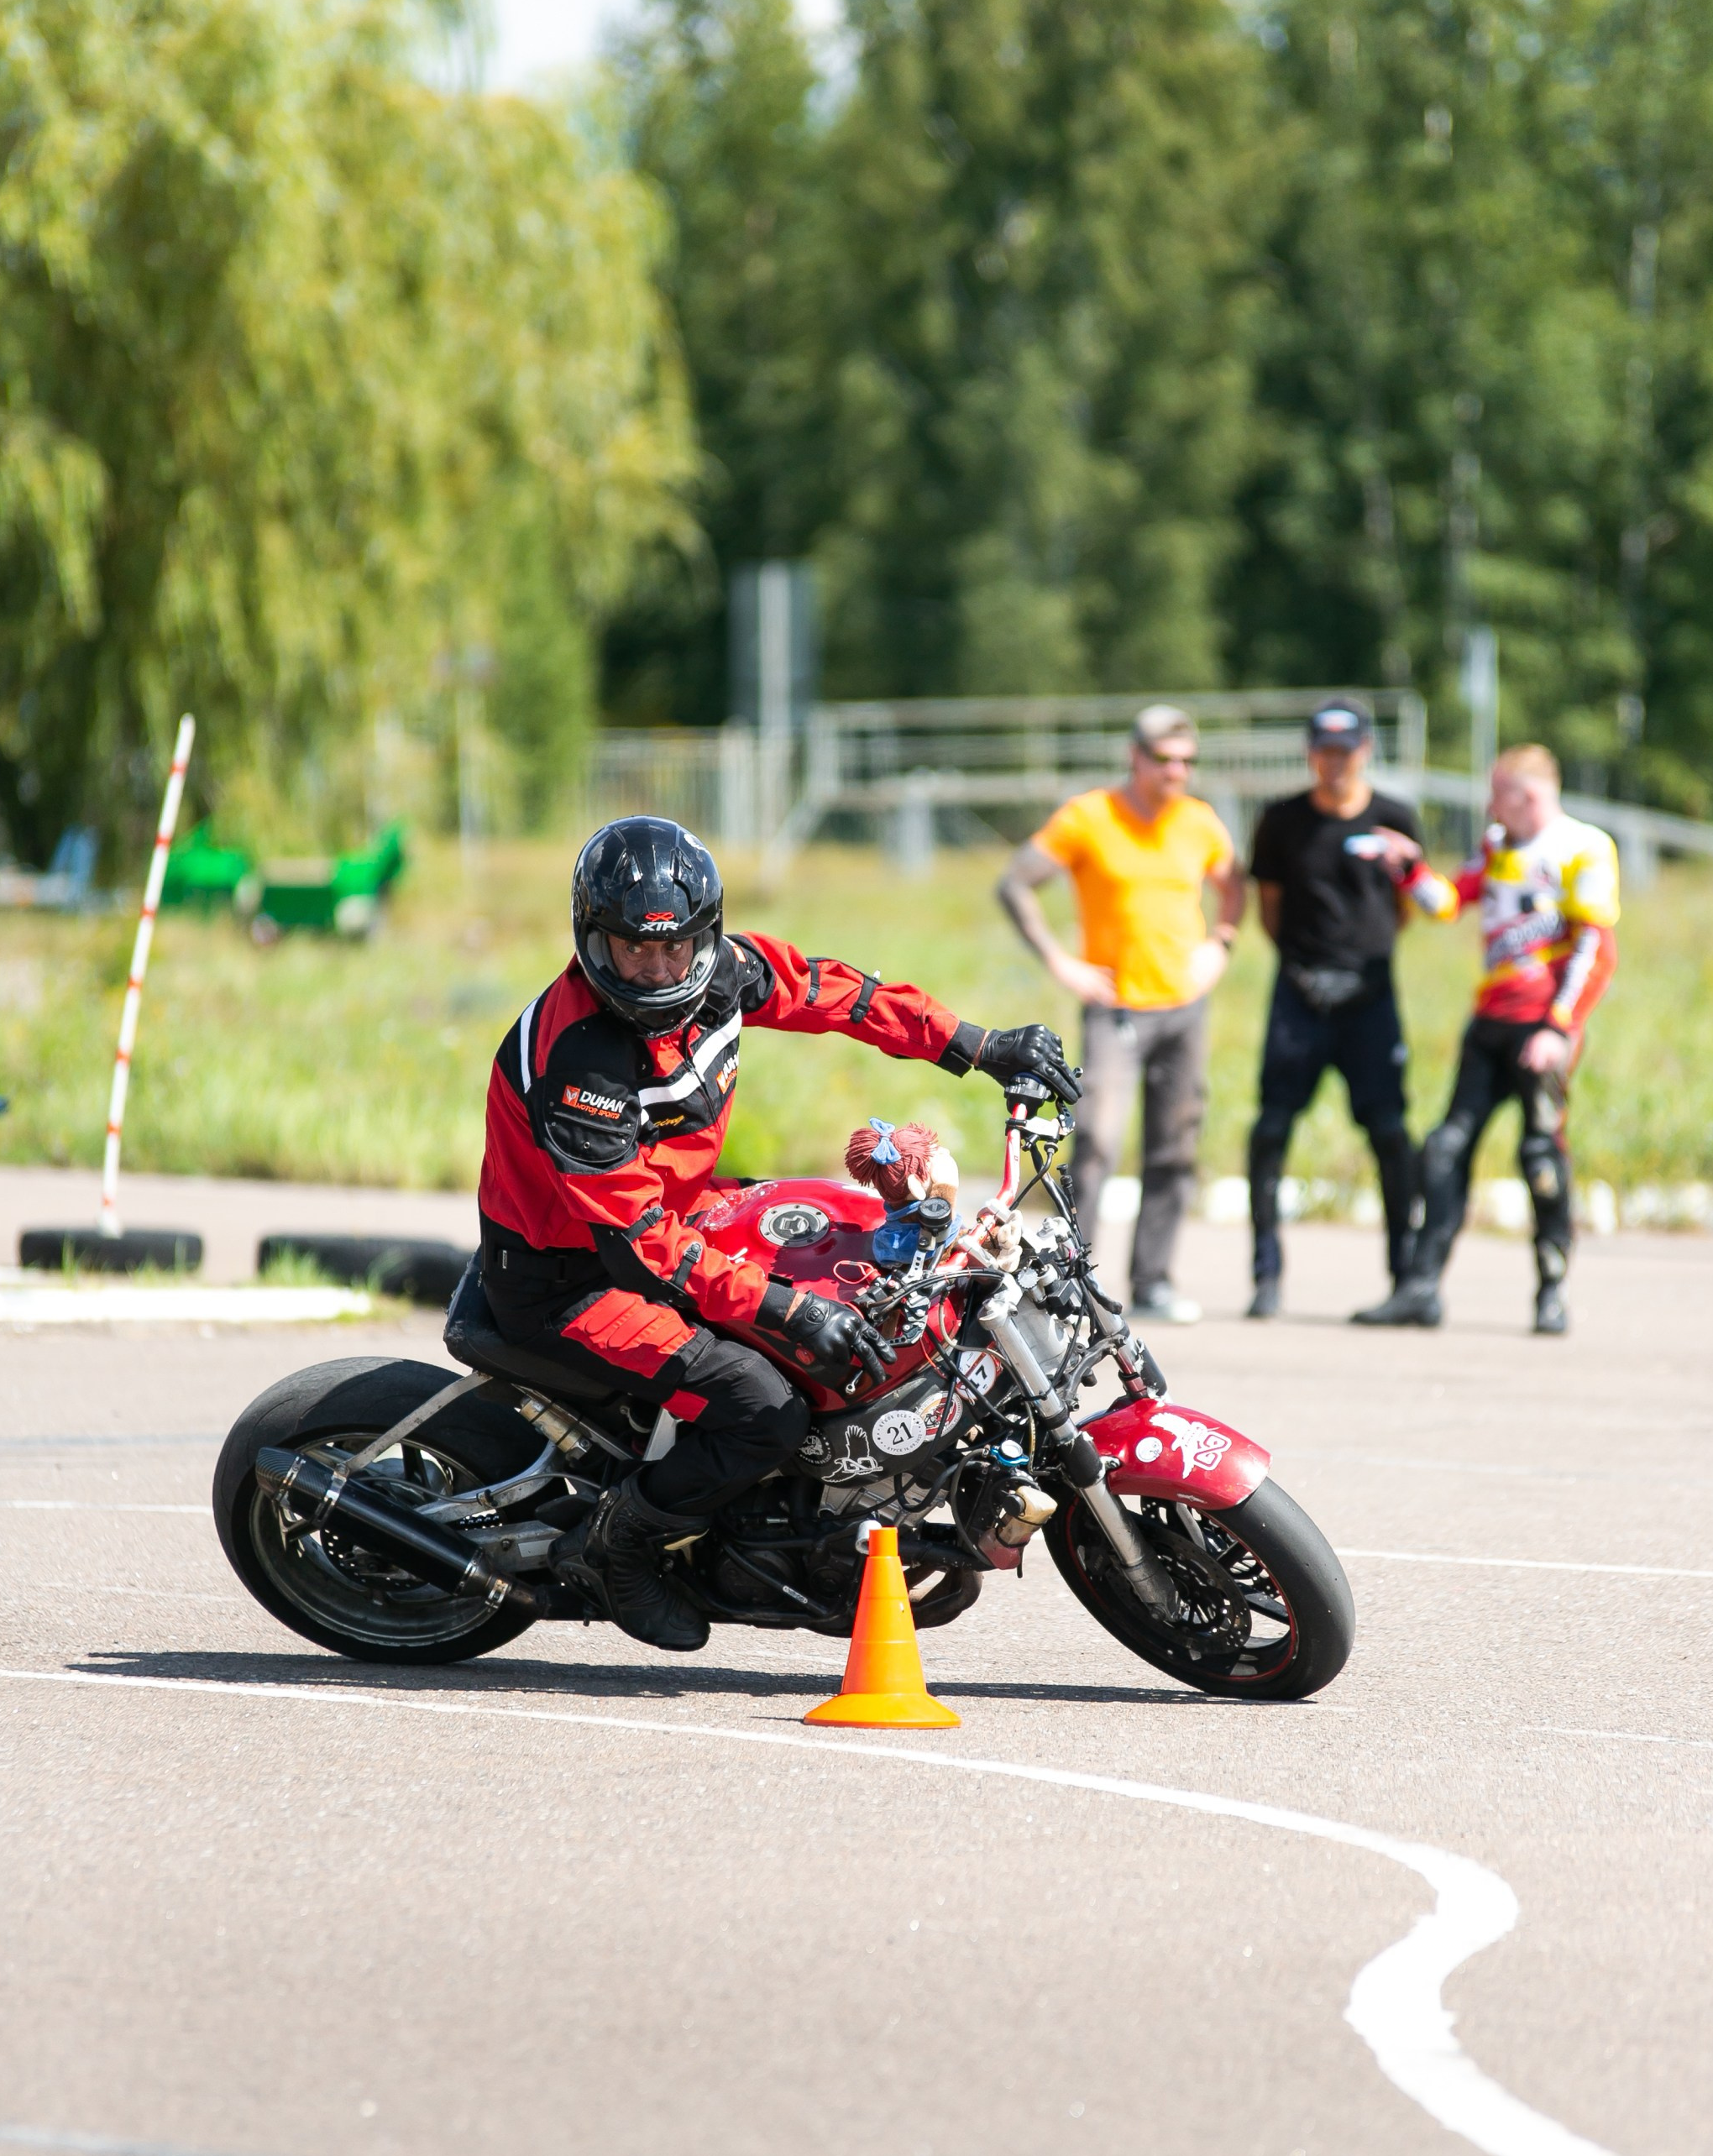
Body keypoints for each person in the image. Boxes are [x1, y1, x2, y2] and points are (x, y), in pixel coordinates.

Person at [478, 814, 1077, 1651]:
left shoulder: (723, 970)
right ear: (591, 940)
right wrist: (788, 1311)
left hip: (681, 1216)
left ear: (703, 936)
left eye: (673, 948)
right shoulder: (582, 1062)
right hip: (572, 1276)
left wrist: (978, 1046)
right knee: (762, 1403)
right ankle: (624, 1550)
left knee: (861, 1245)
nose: (655, 968)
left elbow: (837, 994)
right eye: (630, 950)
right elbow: (637, 1241)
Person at [1354, 743, 1619, 1335]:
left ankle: (1552, 1293)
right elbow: (1448, 904)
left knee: (1540, 1156)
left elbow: (1596, 947)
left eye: (1497, 791)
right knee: (1445, 1149)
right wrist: (1409, 868)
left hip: (1542, 1027)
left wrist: (1559, 1026)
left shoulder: (1585, 847)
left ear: (1527, 794)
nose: (1488, 803)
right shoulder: (1498, 846)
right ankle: (1421, 1290)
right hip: (1489, 1023)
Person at [996, 703, 1244, 1323]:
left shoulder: (1199, 822)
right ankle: (1072, 1283)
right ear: (1135, 757)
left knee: (1175, 1144)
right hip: (1117, 1011)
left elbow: (1234, 885)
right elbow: (1016, 882)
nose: (1178, 772)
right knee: (1098, 1142)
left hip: (1184, 1007)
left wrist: (1222, 943)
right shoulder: (1090, 816)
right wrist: (1061, 962)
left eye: (1188, 761)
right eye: (1165, 760)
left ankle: (1154, 1279)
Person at [1244, 699, 1457, 1319]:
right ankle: (1266, 1275)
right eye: (1324, 749)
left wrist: (1361, 962)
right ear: (1311, 752)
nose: (1335, 762)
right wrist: (1305, 968)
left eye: (1347, 749)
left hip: (1370, 993)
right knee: (1272, 1129)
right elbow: (1271, 908)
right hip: (1300, 992)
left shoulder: (1394, 816)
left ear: (1365, 750)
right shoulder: (1281, 820)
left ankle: (1405, 1278)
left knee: (1390, 1132)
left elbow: (1407, 905)